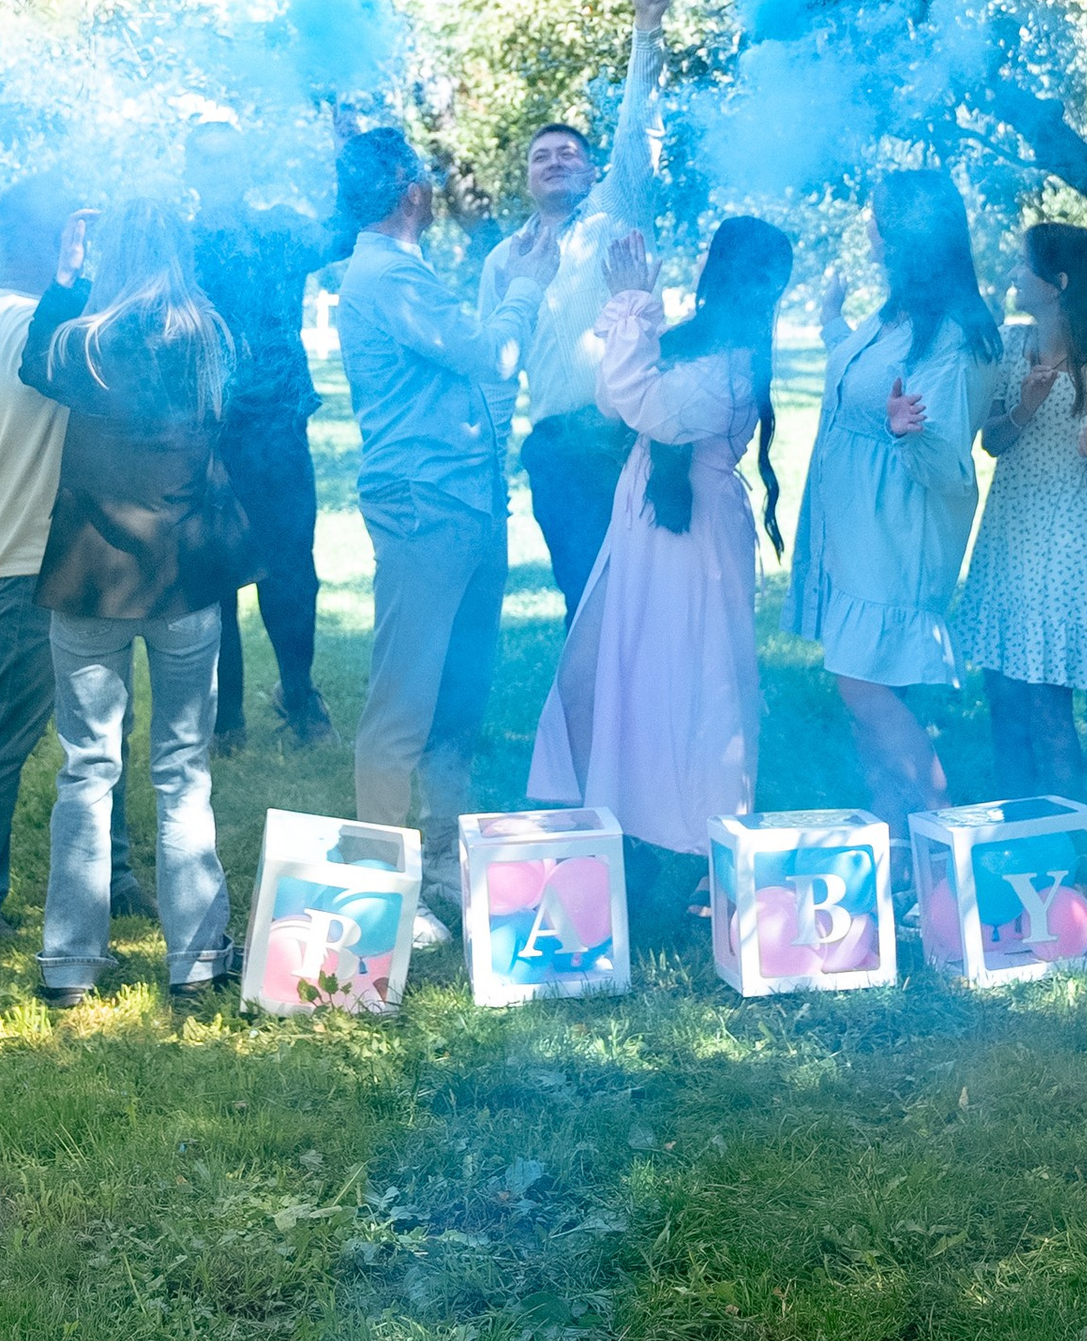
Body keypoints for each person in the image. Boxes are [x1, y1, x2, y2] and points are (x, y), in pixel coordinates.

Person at [18, 199, 246, 1007]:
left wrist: (65, 274)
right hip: (184, 577)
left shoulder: (85, 339)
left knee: (87, 769)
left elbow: (30, 365)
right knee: (183, 772)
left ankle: (70, 964)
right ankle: (195, 960)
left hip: (88, 578)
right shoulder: (210, 338)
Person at [528, 213, 794, 863]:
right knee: (586, 676)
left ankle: (710, 853)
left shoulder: (734, 365)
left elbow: (645, 405)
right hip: (644, 523)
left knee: (701, 691)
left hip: (693, 536)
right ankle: (606, 833)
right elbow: (613, 397)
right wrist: (636, 313)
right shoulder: (697, 342)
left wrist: (632, 303)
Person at [337, 127, 550, 931]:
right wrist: (527, 284)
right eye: (422, 175)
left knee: (455, 697)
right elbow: (492, 356)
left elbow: (469, 370)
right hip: (426, 508)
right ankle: (380, 893)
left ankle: (436, 863)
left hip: (461, 505)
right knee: (403, 704)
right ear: (408, 191)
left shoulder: (404, 272)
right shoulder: (387, 274)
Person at [0, 173, 147, 931]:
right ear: (52, 240)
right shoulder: (24, 320)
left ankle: (114, 873)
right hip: (33, 554)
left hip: (65, 546)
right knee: (10, 731)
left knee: (106, 726)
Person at [789, 169, 1007, 841]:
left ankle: (951, 840)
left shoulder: (954, 337)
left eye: (876, 214)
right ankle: (898, 841)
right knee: (862, 694)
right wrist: (831, 320)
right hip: (855, 532)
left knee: (865, 687)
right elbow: (859, 377)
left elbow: (950, 467)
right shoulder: (896, 316)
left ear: (903, 233)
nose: (867, 224)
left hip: (896, 537)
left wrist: (907, 435)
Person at [482, 0, 671, 614]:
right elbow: (493, 367)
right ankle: (592, 720)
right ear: (527, 178)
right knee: (584, 599)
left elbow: (635, 128)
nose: (555, 160)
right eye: (541, 156)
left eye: (569, 153)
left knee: (644, 598)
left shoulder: (613, 216)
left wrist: (645, 30)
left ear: (593, 173)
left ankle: (648, 719)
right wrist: (490, 470)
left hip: (627, 433)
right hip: (557, 450)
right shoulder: (501, 261)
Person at [957, 222, 1087, 800]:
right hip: (1008, 532)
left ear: (1056, 283)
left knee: (1046, 701)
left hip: (1063, 541)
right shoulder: (1012, 345)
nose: (1011, 274)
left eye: (1021, 265)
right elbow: (993, 443)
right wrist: (1023, 409)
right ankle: (1014, 836)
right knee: (1002, 693)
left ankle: (1071, 852)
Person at [182, 117, 335, 749]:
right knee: (217, 577)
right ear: (193, 173)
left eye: (230, 160)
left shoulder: (279, 229)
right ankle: (227, 722)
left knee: (292, 571)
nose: (221, 171)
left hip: (277, 427)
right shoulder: (181, 248)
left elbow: (345, 231)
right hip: (207, 432)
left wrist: (343, 142)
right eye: (208, 162)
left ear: (246, 168)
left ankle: (299, 699)